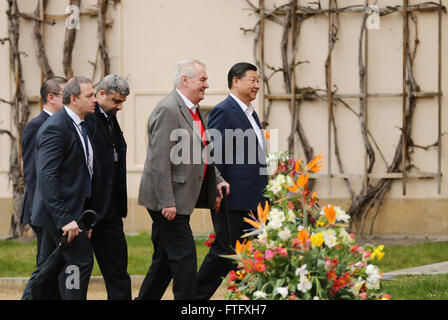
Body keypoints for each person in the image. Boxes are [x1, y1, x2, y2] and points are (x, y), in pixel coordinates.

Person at [136, 59, 230, 300]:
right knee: (185, 259)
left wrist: (217, 178)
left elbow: (202, 151)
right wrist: (167, 201)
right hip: (168, 202)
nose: (207, 85)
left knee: (166, 260)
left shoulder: (192, 109)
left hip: (179, 199)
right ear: (185, 80)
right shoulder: (168, 109)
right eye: (203, 80)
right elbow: (158, 161)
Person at [196, 62, 268, 299]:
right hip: (232, 199)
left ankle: (243, 297)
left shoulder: (251, 112)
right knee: (223, 252)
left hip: (254, 200)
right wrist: (216, 190)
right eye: (252, 80)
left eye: (258, 81)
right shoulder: (224, 110)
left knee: (247, 256)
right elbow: (214, 155)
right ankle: (193, 298)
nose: (257, 85)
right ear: (236, 82)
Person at [29, 76, 97, 300]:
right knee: (79, 262)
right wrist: (65, 219)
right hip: (60, 217)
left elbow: (81, 173)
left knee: (48, 271)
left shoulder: (80, 123)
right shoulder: (56, 127)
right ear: (73, 99)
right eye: (90, 96)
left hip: (71, 215)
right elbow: (47, 177)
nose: (95, 99)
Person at [84, 74, 132, 300]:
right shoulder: (87, 119)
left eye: (122, 101)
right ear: (100, 94)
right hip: (89, 210)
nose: (120, 106)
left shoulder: (110, 117)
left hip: (111, 210)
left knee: (118, 270)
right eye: (116, 101)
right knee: (77, 271)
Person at [21, 76, 67, 299]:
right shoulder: (36, 126)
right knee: (46, 266)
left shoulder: (62, 124)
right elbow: (33, 172)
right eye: (65, 95)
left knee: (53, 266)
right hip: (42, 208)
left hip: (54, 208)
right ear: (51, 98)